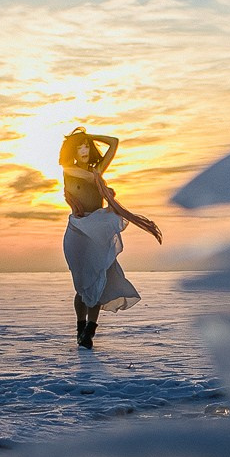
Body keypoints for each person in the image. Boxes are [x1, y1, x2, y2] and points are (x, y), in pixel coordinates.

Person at [59, 127, 162, 349]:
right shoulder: (69, 170)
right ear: (73, 151)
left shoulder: (97, 171)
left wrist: (90, 137)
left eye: (86, 146)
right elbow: (86, 177)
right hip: (79, 230)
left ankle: (89, 330)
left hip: (98, 228)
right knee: (82, 286)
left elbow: (114, 142)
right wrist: (99, 182)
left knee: (98, 281)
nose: (84, 150)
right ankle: (80, 327)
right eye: (79, 147)